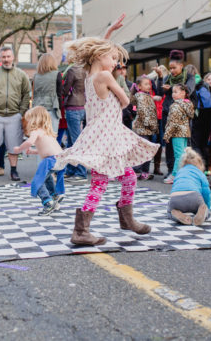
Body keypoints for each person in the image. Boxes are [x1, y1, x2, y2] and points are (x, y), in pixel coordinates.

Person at [53, 37, 158, 246]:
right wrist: (121, 94)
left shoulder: (91, 74)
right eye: (113, 58)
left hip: (106, 135)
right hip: (105, 137)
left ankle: (126, 218)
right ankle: (81, 230)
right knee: (99, 183)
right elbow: (126, 100)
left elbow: (100, 49)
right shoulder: (104, 75)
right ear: (100, 56)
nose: (116, 62)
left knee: (129, 177)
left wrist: (110, 33)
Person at [0, 47, 31, 181]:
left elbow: (27, 93)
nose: (6, 59)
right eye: (3, 57)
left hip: (14, 115)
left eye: (8, 56)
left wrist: (21, 112)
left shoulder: (21, 74)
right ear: (0, 58)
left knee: (13, 145)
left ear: (13, 57)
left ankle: (14, 171)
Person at [13, 106, 65, 216]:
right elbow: (45, 150)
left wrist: (19, 149)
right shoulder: (46, 131)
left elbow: (29, 142)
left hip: (50, 160)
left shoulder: (35, 131)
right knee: (47, 178)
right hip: (60, 159)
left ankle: (48, 202)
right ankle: (55, 195)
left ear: (34, 120)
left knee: (38, 181)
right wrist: (32, 152)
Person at [155, 50, 196, 176]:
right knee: (169, 143)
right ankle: (171, 169)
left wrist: (172, 88)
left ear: (181, 66)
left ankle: (185, 170)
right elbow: (160, 92)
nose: (172, 71)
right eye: (170, 68)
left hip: (183, 117)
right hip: (168, 114)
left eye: (174, 68)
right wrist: (161, 78)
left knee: (185, 144)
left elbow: (189, 90)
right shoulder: (168, 78)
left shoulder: (189, 77)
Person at [61, 56, 88, 183]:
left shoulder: (72, 70)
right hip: (83, 106)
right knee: (72, 141)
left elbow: (66, 89)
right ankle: (71, 170)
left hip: (72, 106)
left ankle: (81, 172)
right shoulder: (86, 69)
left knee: (76, 142)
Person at [168, 147, 211, 226]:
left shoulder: (179, 172)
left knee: (170, 211)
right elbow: (206, 192)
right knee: (204, 210)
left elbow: (175, 186)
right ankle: (202, 213)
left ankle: (178, 214)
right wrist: (207, 206)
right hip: (194, 197)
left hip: (176, 199)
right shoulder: (200, 173)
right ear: (200, 164)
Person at [163, 83, 194, 184]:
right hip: (185, 132)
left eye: (176, 92)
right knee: (183, 154)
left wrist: (167, 135)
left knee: (178, 155)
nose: (173, 94)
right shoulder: (188, 104)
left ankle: (175, 175)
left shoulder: (175, 106)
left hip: (177, 133)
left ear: (183, 93)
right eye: (172, 92)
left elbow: (173, 122)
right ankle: (183, 174)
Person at [130, 75, 159, 180]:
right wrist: (151, 125)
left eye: (149, 84)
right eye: (146, 84)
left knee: (147, 149)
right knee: (144, 150)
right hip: (142, 128)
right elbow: (143, 112)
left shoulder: (146, 96)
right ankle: (136, 171)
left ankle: (144, 171)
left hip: (147, 128)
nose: (149, 86)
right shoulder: (141, 96)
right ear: (139, 86)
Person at [32, 53, 63, 133]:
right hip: (52, 108)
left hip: (37, 109)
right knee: (52, 136)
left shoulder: (35, 76)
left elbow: (34, 94)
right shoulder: (57, 75)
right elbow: (59, 94)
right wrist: (60, 108)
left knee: (39, 137)